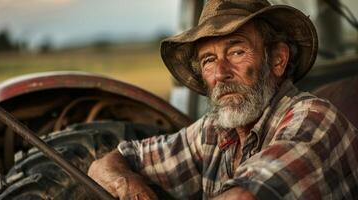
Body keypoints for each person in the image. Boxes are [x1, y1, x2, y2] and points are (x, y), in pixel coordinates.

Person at [88, 0, 358, 199]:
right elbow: (116, 160)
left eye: (237, 52)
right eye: (209, 60)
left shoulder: (314, 117)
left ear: (277, 59)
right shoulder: (214, 132)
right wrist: (127, 184)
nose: (220, 73)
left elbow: (245, 196)